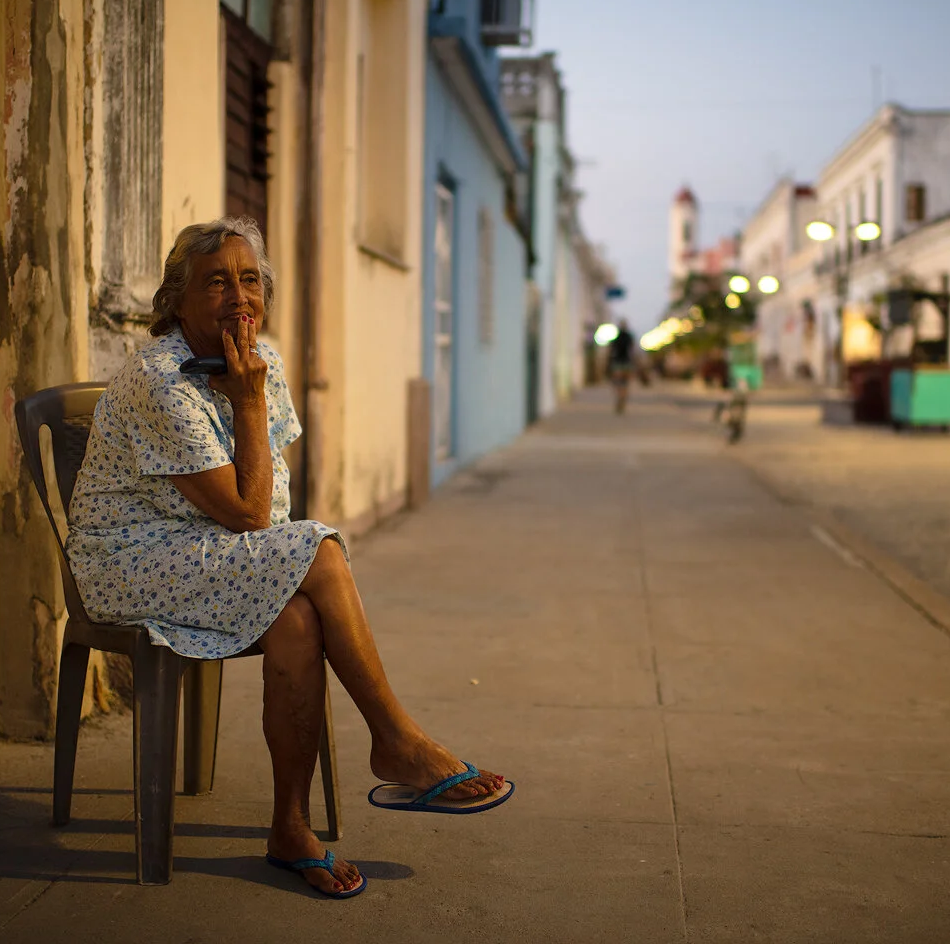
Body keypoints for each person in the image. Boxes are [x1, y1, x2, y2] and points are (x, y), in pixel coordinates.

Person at [66, 216, 511, 900]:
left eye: (250, 280)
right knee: (320, 549)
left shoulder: (258, 359)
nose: (238, 297)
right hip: (128, 562)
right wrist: (246, 403)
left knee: (299, 618)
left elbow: (267, 508)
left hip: (204, 553)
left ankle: (291, 828)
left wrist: (250, 395)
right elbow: (253, 516)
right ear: (178, 300)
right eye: (216, 283)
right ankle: (397, 741)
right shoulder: (161, 379)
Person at [607, 319, 636, 413]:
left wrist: (608, 363)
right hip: (627, 362)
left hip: (618, 362)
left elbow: (611, 351)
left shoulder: (616, 338)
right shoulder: (629, 338)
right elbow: (632, 351)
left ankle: (620, 395)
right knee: (625, 383)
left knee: (618, 382)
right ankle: (623, 396)